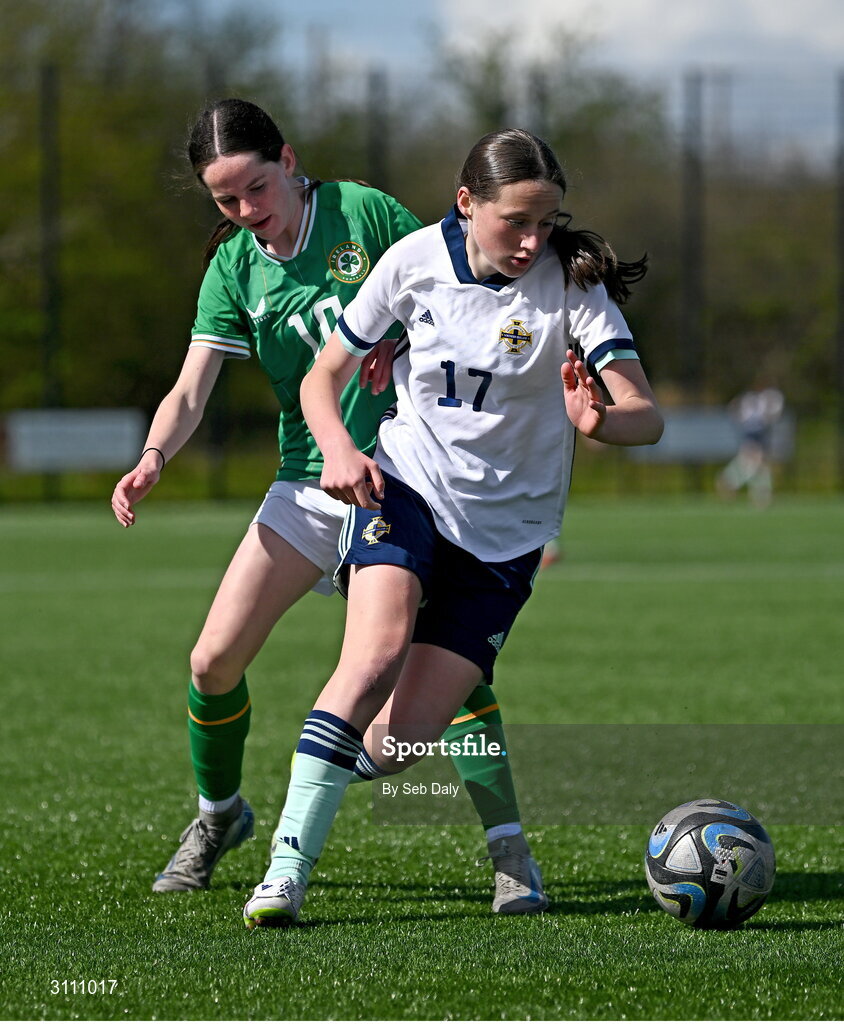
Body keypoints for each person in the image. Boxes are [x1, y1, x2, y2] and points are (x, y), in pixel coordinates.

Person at [111, 99, 543, 913]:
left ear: (289, 159)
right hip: (309, 482)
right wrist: (152, 456)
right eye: (226, 201)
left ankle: (508, 848)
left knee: (444, 664)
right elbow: (191, 387)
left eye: (257, 189)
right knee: (210, 663)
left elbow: (450, 294)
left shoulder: (362, 212)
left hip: (408, 476)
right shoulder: (235, 266)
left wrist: (400, 343)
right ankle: (219, 818)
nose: (247, 212)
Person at [242, 128, 664, 928]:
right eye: (516, 222)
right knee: (370, 660)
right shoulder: (410, 261)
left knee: (401, 743)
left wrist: (600, 421)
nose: (533, 240)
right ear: (467, 203)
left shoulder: (572, 287)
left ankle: (341, 771)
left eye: (548, 221)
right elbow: (322, 377)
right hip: (406, 487)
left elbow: (646, 416)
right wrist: (336, 446)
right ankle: (286, 872)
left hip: (508, 539)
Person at [716, 382, 785, 508]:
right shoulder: (757, 400)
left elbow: (734, 409)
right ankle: (731, 481)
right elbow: (768, 415)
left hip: (754, 433)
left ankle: (757, 492)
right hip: (754, 433)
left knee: (756, 464)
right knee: (754, 464)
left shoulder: (751, 399)